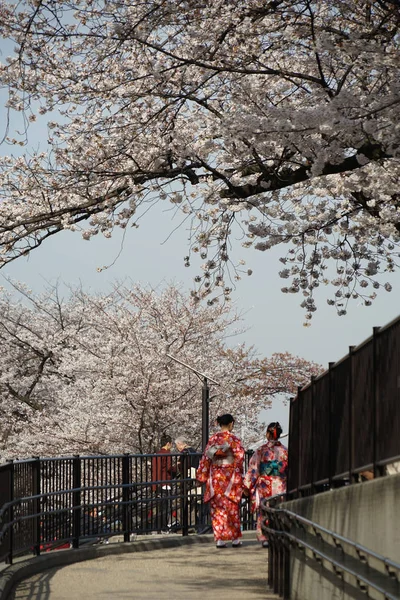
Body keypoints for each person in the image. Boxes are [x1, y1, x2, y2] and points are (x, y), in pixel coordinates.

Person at [196, 414, 245, 548]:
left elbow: (206, 458)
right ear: (231, 424)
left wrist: (201, 476)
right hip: (230, 479)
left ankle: (219, 539)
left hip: (216, 478)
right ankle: (234, 538)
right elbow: (240, 458)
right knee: (232, 507)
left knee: (217, 508)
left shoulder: (213, 440)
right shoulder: (234, 440)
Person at [244, 422, 288, 548]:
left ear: (268, 434)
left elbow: (253, 469)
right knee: (278, 510)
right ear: (278, 435)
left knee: (264, 510)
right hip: (280, 483)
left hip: (265, 484)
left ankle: (265, 537)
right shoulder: (284, 451)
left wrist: (247, 486)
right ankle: (278, 535)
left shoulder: (261, 450)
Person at [151, 434, 176, 532]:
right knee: (166, 507)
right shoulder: (167, 453)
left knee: (159, 507)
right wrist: (176, 469)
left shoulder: (156, 454)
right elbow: (169, 468)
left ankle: (157, 527)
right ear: (168, 443)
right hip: (166, 482)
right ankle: (164, 527)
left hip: (157, 483)